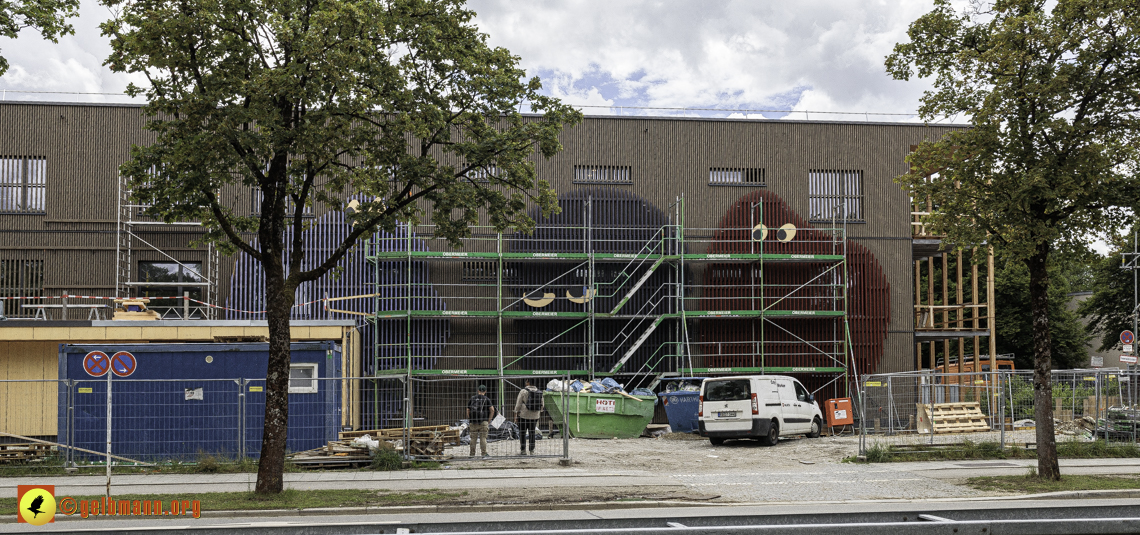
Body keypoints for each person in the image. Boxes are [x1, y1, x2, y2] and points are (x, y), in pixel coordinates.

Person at [514, 378, 544, 455]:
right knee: (532, 432)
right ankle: (532, 450)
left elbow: (518, 404)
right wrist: (539, 412)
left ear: (528, 382)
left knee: (522, 433)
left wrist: (516, 413)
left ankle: (523, 450)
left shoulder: (523, 391)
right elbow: (542, 405)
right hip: (535, 416)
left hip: (524, 415)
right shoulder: (539, 392)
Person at [466, 384, 495, 457]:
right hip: (483, 421)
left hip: (473, 421)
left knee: (473, 438)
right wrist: (488, 420)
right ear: (485, 391)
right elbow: (492, 410)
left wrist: (470, 418)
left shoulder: (472, 398)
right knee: (483, 438)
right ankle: (484, 453)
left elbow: (468, 409)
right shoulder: (486, 399)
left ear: (478, 391)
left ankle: (472, 454)